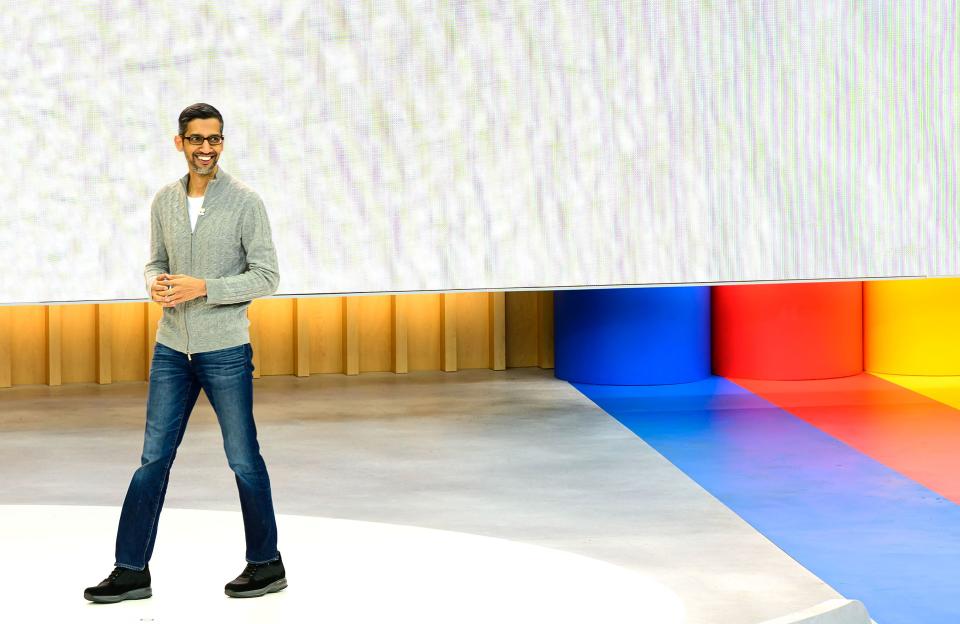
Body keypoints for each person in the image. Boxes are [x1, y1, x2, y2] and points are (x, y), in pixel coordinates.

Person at [84, 103, 286, 603]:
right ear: (180, 143)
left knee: (242, 458)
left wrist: (204, 288)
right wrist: (156, 283)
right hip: (172, 348)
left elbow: (267, 276)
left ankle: (266, 563)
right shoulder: (164, 202)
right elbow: (155, 262)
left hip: (225, 349)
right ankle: (131, 569)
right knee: (152, 458)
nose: (205, 149)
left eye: (214, 139)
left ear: (222, 143)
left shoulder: (245, 202)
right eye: (196, 140)